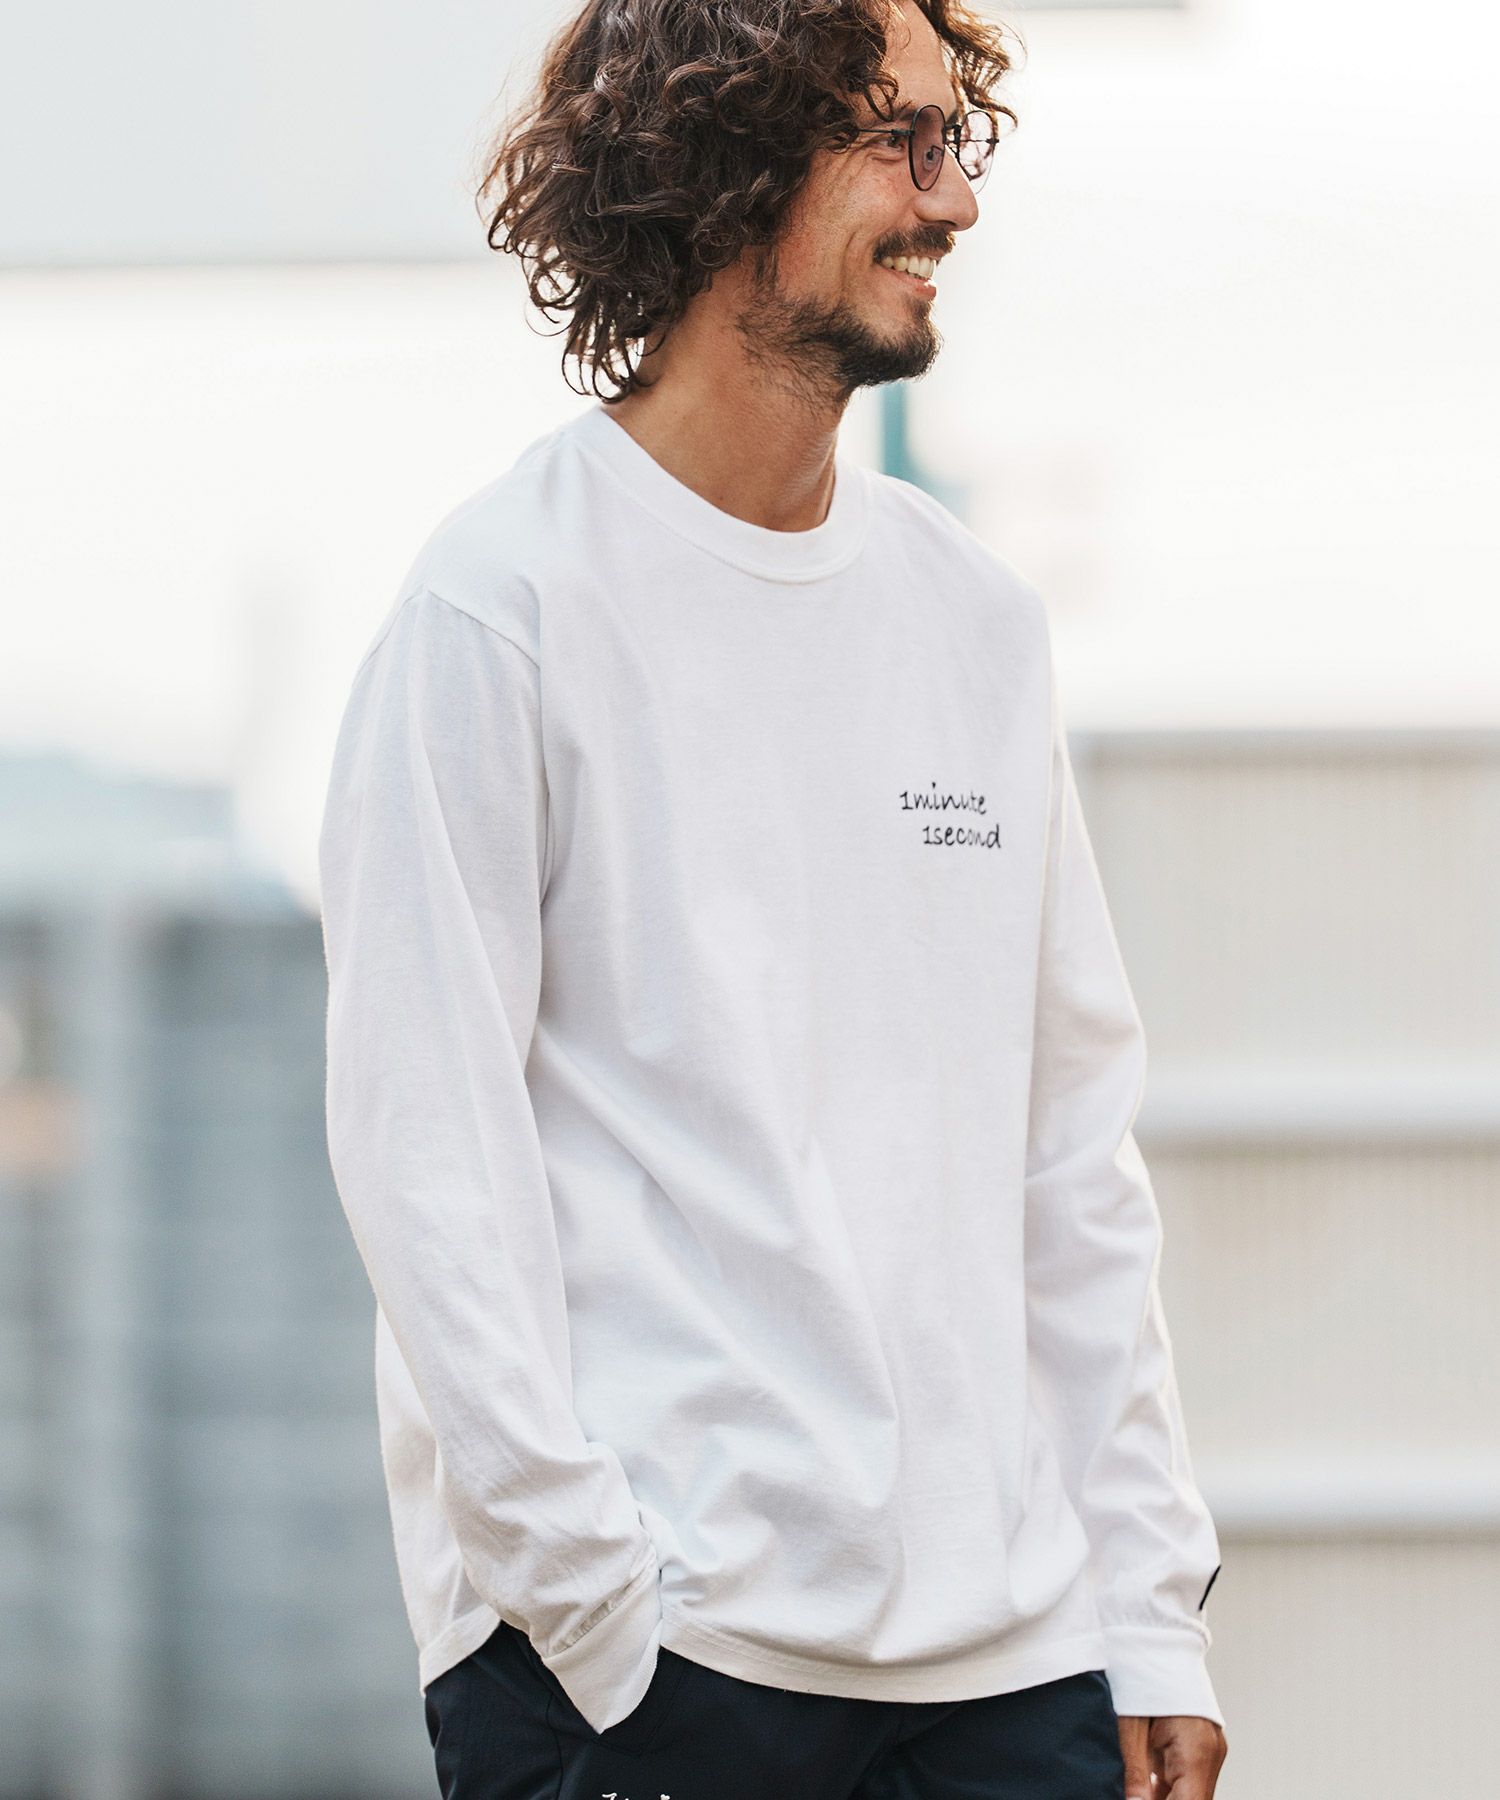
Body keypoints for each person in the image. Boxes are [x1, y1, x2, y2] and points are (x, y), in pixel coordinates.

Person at [316, 0, 1230, 1794]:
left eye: (958, 141)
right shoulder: (500, 612)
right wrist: (597, 1610)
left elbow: (1069, 1161)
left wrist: (1147, 1607)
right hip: (659, 1667)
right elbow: (428, 1159)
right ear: (725, 159)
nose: (954, 200)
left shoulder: (977, 627)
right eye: (901, 140)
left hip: (1010, 1674)